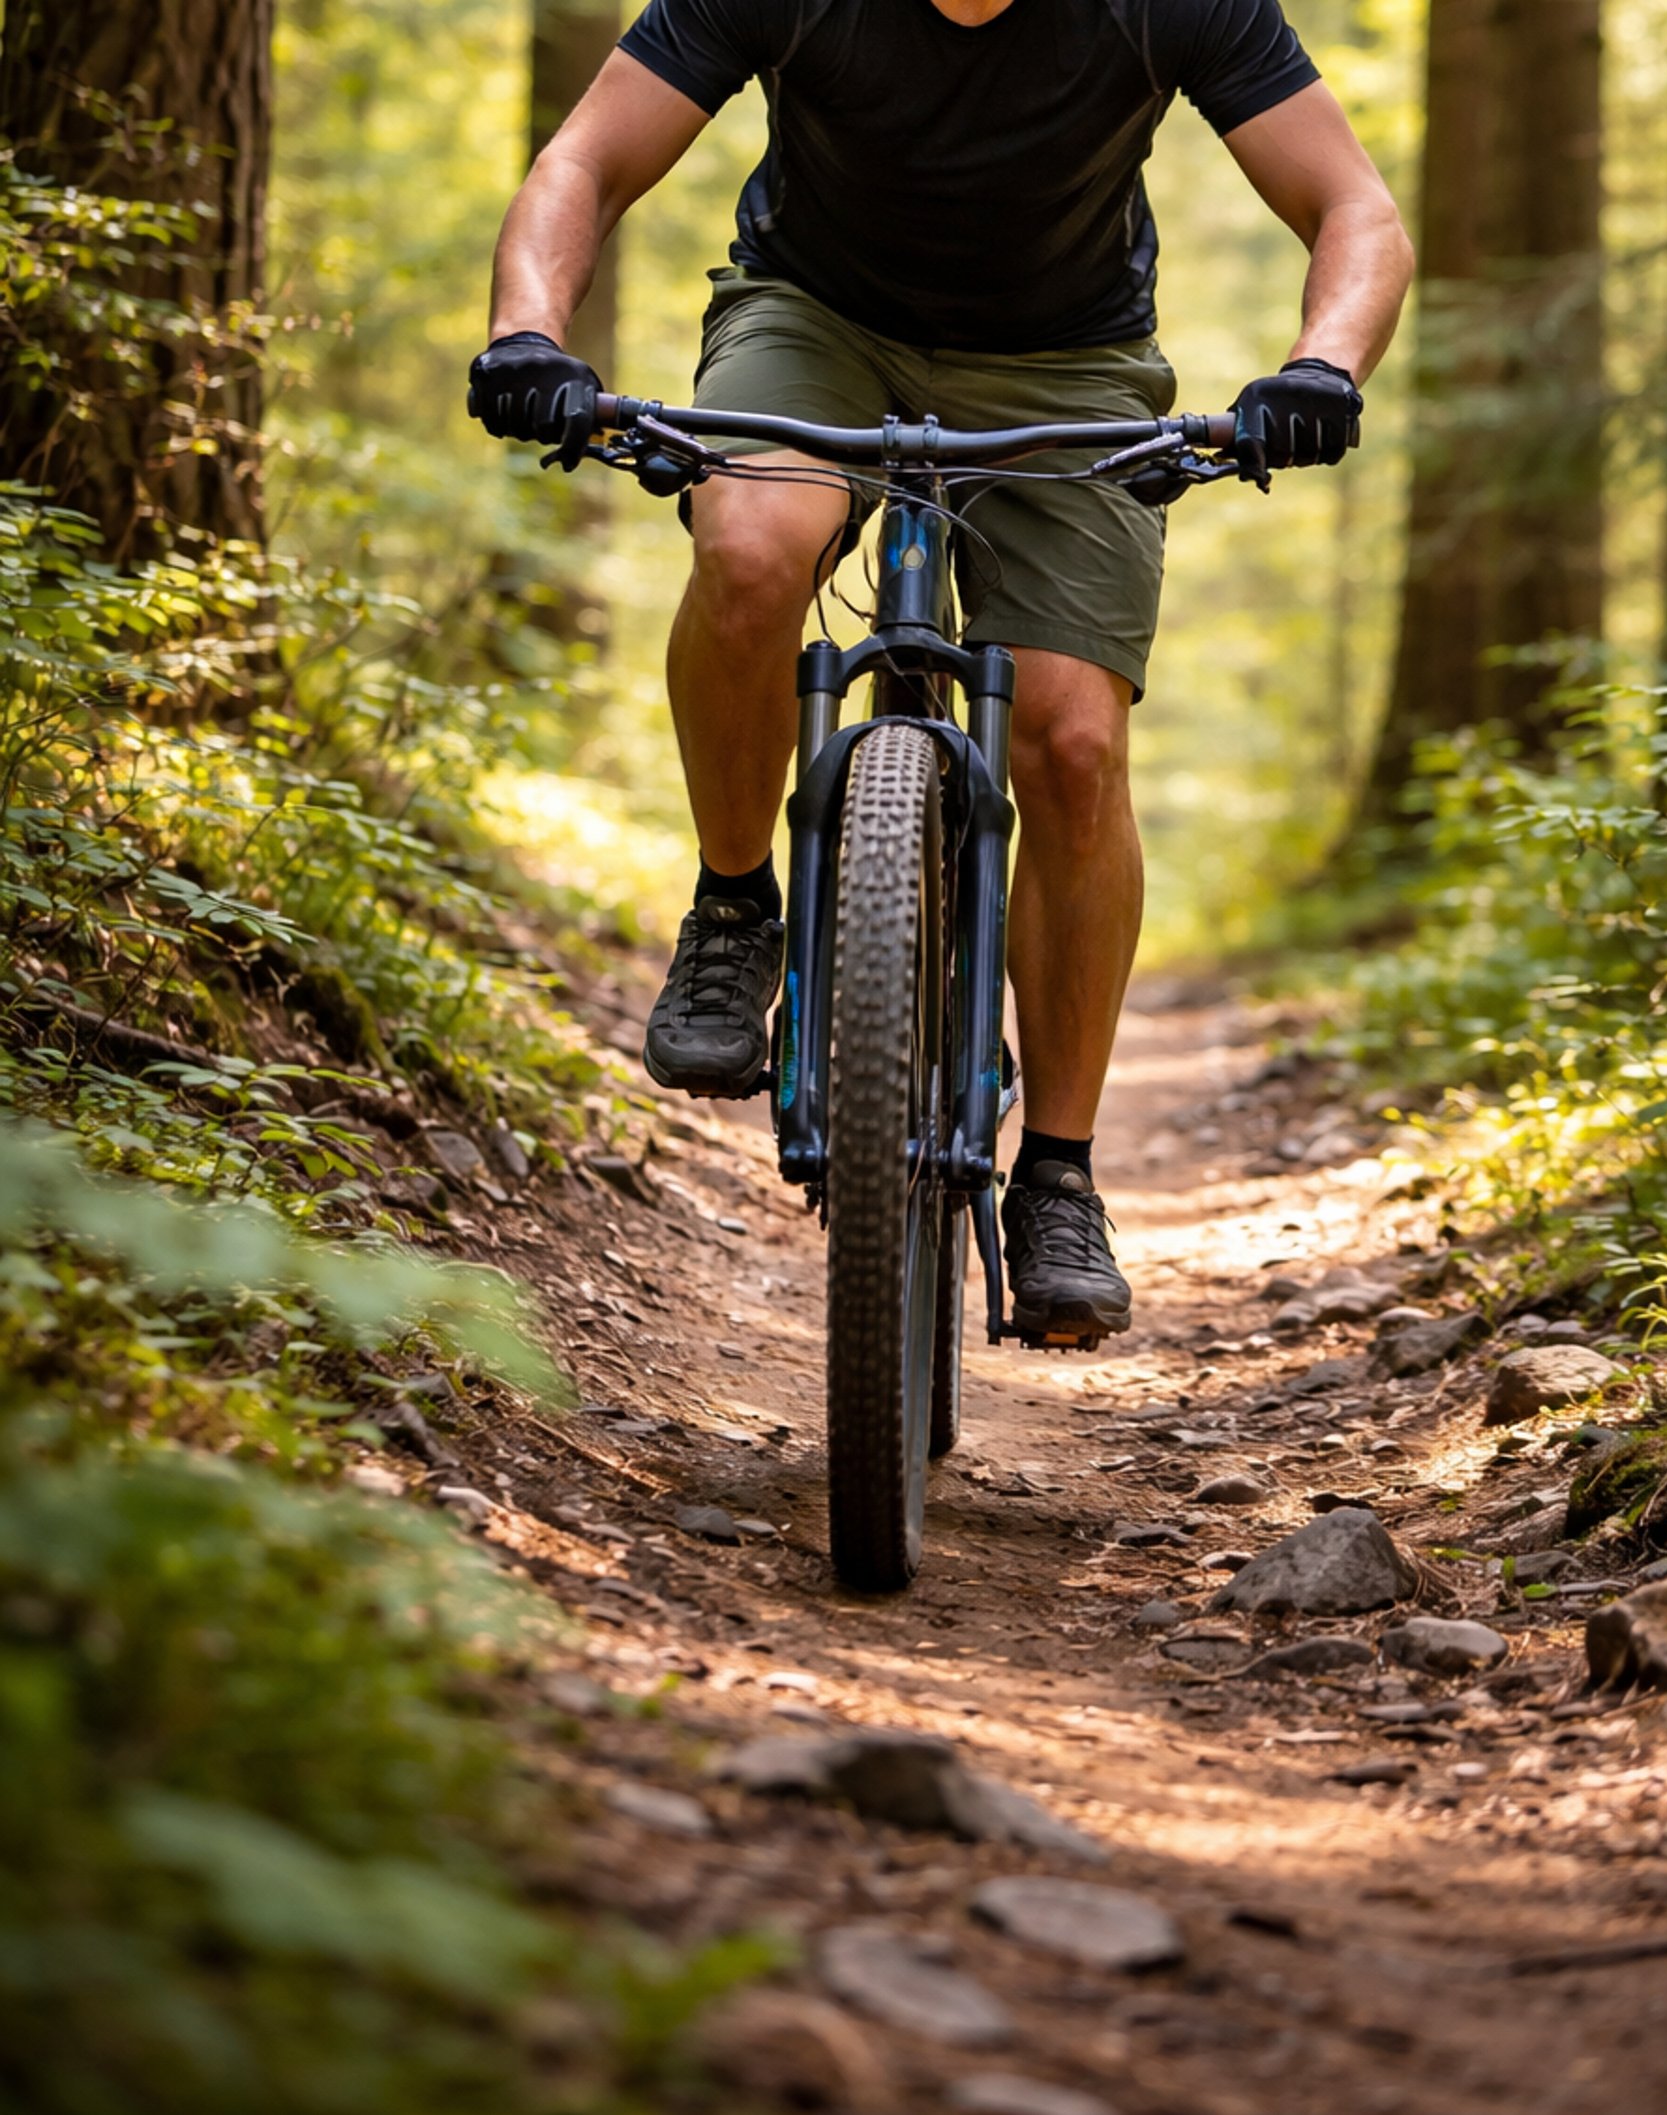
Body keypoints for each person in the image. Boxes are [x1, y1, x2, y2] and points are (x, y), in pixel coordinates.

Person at [470, 0, 1412, 1349]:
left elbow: (1355, 209)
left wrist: (1322, 366)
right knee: (751, 549)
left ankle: (1060, 1178)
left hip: (1067, 366)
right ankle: (735, 910)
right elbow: (586, 160)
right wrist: (529, 330)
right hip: (816, 321)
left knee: (1072, 738)